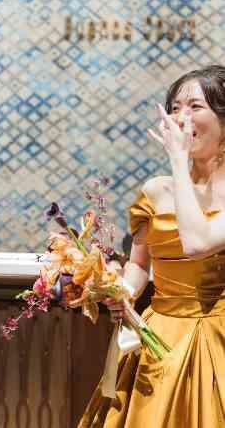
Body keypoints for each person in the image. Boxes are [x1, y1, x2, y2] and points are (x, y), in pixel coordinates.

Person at [79, 65, 225, 427]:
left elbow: (197, 243)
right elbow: (140, 265)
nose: (180, 118)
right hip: (158, 336)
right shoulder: (155, 190)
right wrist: (122, 290)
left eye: (195, 106)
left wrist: (178, 160)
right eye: (175, 108)